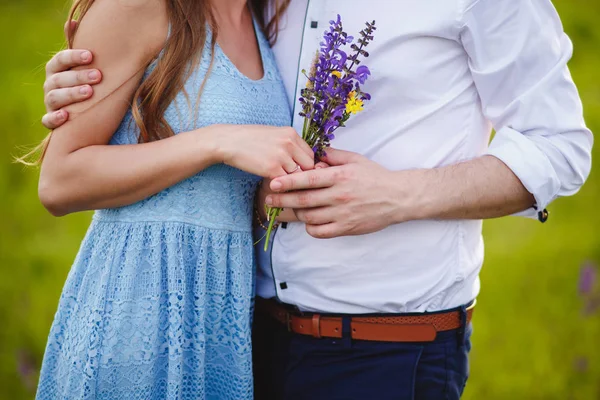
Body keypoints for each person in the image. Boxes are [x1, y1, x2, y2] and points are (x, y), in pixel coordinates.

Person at [41, 0, 594, 399]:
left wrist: (401, 195)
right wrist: (93, 73)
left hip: (381, 354)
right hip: (233, 333)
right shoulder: (256, 6)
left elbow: (560, 144)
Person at [30, 0, 313, 399]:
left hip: (219, 325)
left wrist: (272, 195)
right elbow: (60, 181)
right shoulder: (141, 6)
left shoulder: (262, 18)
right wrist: (215, 142)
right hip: (137, 313)